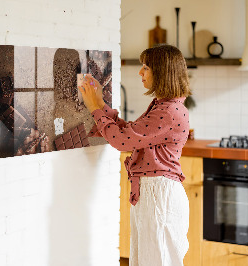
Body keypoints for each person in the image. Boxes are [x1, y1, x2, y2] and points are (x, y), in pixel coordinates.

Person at [79, 44, 191, 266]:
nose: (140, 72)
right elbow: (130, 133)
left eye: (146, 67)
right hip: (154, 193)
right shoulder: (164, 106)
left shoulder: (168, 111)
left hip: (159, 195)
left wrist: (94, 108)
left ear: (162, 72)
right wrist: (100, 103)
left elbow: (122, 141)